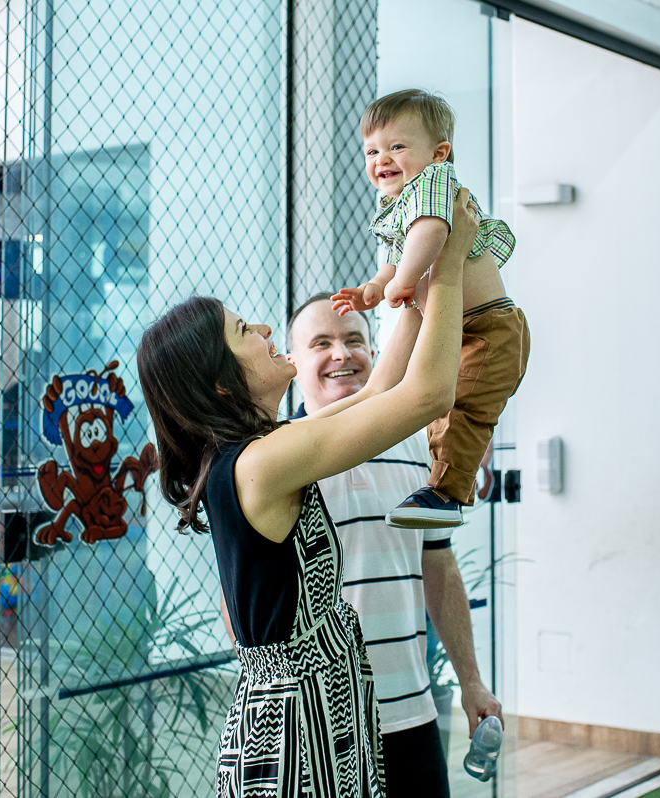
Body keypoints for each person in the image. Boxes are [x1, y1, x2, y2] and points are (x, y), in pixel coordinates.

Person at [137, 190, 479, 797]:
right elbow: (426, 397)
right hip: (298, 733)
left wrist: (413, 281)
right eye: (245, 330)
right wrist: (448, 264)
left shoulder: (258, 452)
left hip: (322, 715)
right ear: (220, 381)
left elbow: (376, 395)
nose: (265, 329)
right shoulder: (263, 462)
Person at [284, 293, 501, 797]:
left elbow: (439, 566)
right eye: (322, 343)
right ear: (293, 365)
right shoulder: (277, 457)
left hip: (413, 713)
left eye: (354, 340)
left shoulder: (416, 446)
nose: (342, 354)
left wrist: (471, 681)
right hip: (321, 728)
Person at [334, 88, 531, 530]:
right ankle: (443, 489)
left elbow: (430, 236)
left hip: (490, 330)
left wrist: (403, 281)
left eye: (396, 147)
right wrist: (375, 287)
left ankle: (446, 495)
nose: (381, 159)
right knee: (443, 413)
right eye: (372, 150)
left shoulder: (435, 186)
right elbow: (395, 254)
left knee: (460, 411)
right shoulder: (398, 202)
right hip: (459, 329)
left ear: (438, 153)